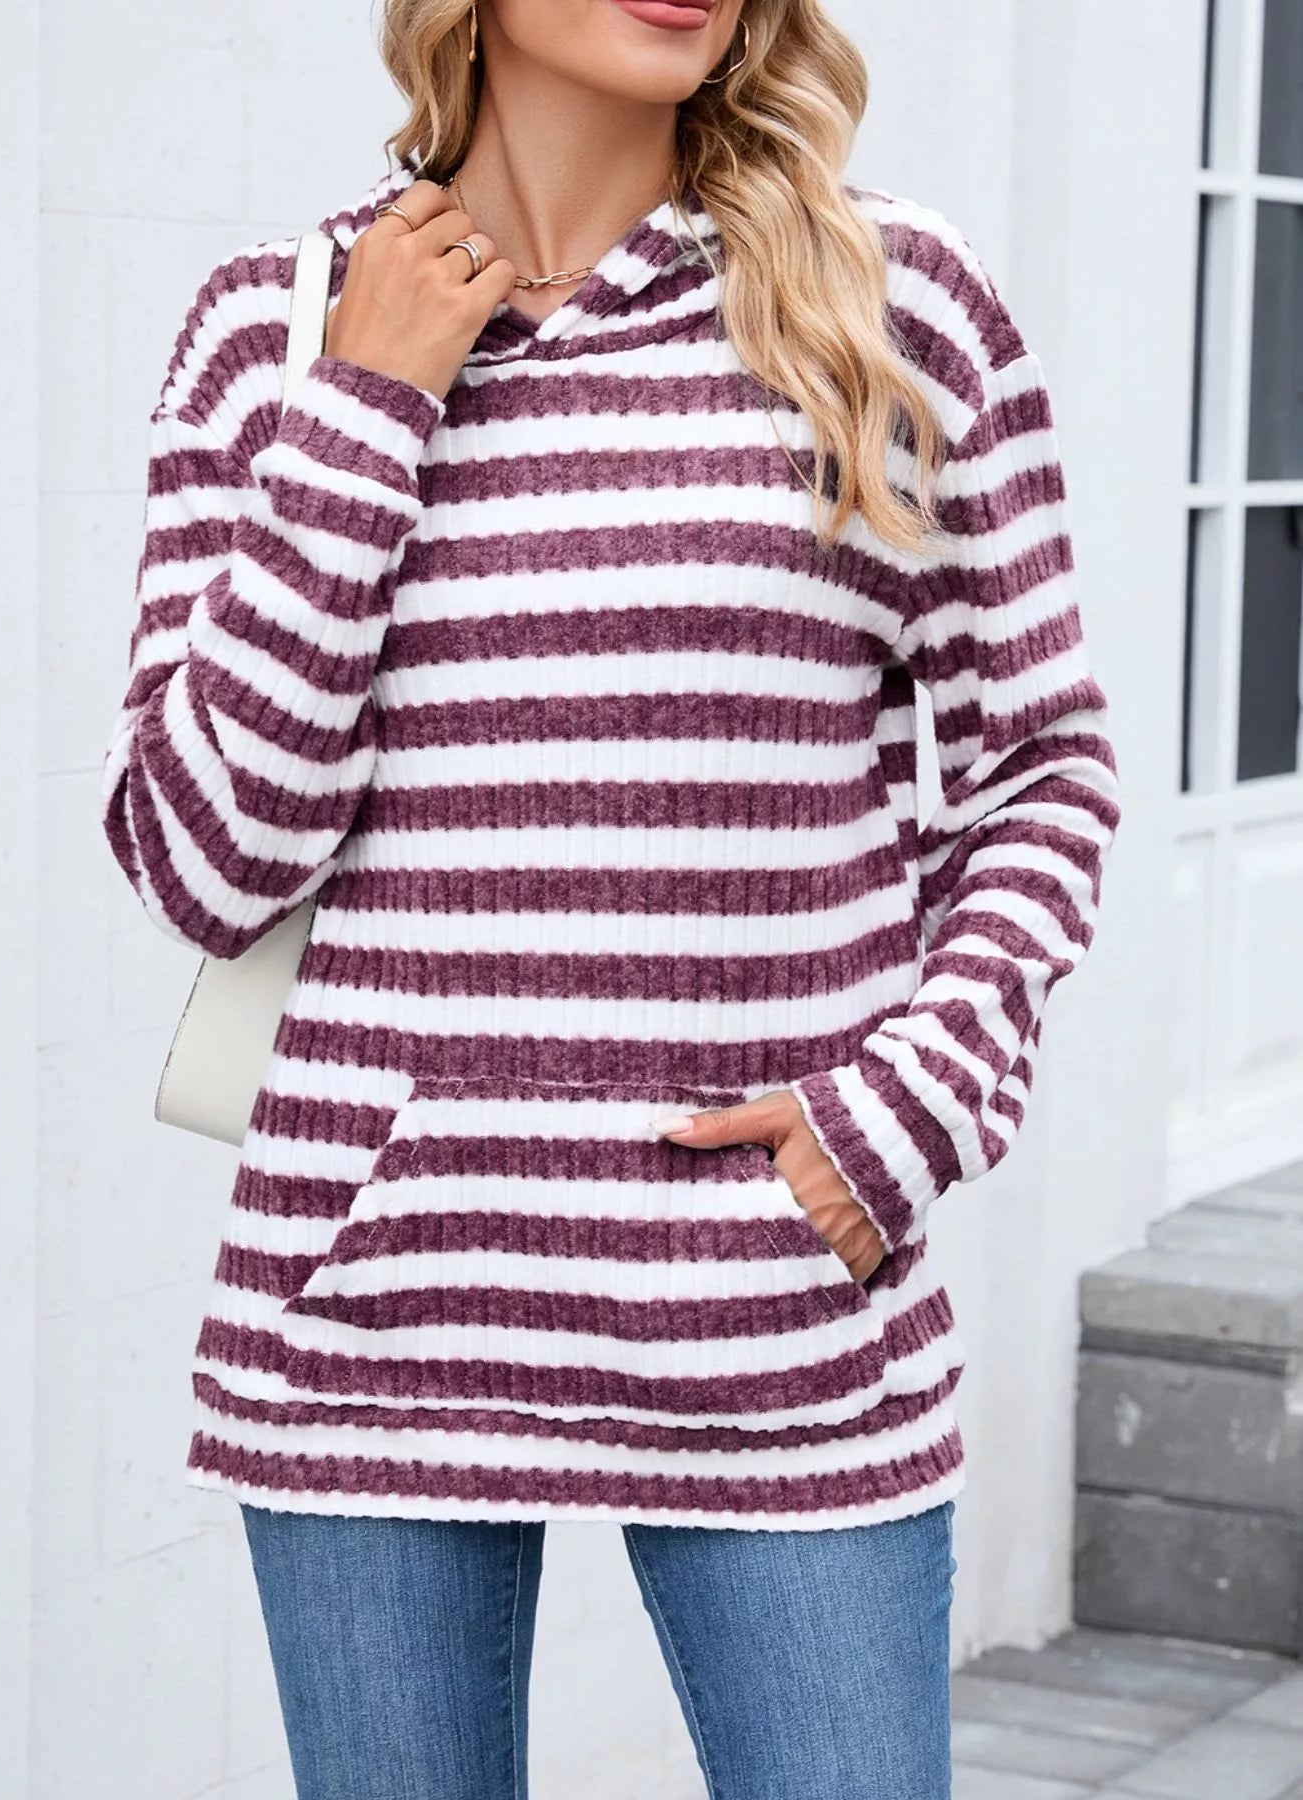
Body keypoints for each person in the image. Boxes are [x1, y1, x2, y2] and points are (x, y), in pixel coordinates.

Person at [100, 1, 1121, 1793]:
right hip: (371, 1321)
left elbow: (1038, 768)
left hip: (778, 1311)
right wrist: (368, 405)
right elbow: (208, 860)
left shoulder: (888, 303)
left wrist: (906, 1110)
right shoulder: (278, 327)